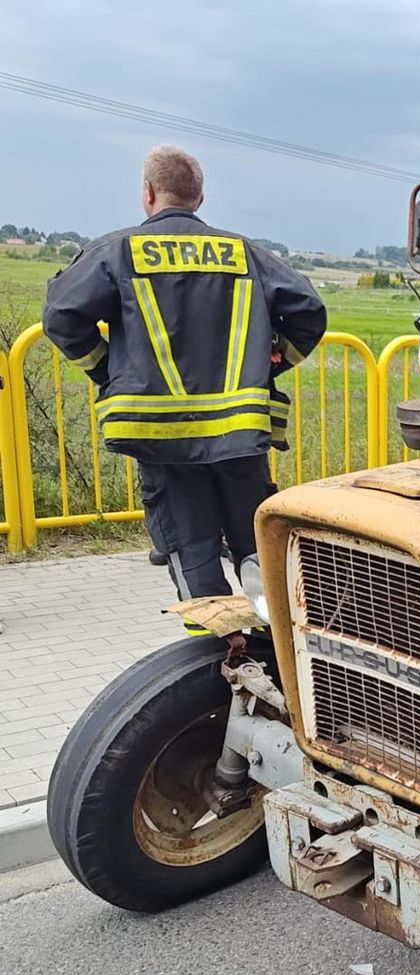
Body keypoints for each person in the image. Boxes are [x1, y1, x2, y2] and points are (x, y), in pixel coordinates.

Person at [42, 145, 326, 619]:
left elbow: (61, 316)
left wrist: (107, 369)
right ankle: (284, 651)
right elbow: (309, 313)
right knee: (260, 552)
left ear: (148, 193)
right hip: (240, 438)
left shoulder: (117, 252)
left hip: (163, 442)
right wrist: (270, 364)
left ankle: (222, 669)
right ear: (199, 196)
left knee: (194, 558)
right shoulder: (245, 253)